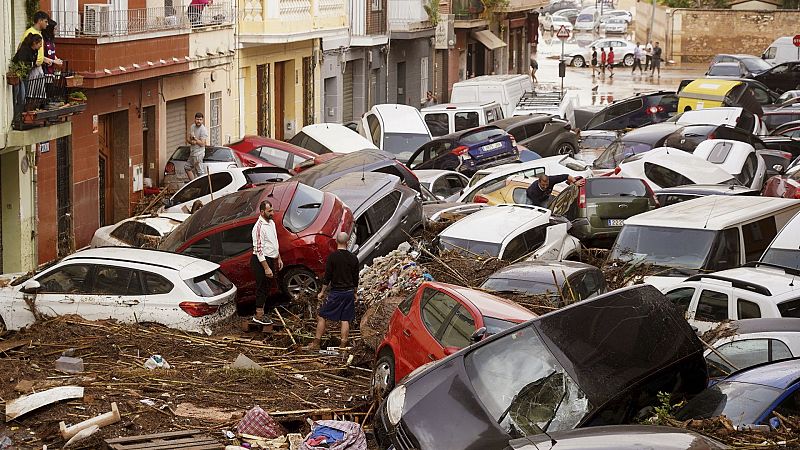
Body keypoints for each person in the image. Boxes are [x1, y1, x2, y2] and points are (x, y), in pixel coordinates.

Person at [304, 232, 359, 351]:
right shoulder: (353, 258)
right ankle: (343, 345)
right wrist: (355, 293)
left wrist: (322, 292)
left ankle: (316, 343)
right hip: (349, 292)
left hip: (337, 293)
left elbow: (327, 277)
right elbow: (355, 278)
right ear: (348, 241)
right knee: (345, 319)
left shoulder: (332, 257)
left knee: (322, 315)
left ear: (336, 242)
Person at [250, 200, 283, 325]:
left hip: (271, 258)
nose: (272, 213)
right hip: (261, 261)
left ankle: (263, 312)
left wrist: (278, 257)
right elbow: (258, 249)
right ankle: (258, 316)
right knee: (261, 287)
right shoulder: (258, 227)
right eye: (269, 211)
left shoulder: (271, 223)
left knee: (268, 286)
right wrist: (266, 268)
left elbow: (274, 241)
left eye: (272, 210)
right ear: (262, 211)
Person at [185, 112, 208, 180]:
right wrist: (191, 141)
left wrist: (195, 138)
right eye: (197, 119)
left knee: (200, 172)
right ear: (195, 119)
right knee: (187, 167)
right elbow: (188, 139)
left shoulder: (203, 130)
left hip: (199, 153)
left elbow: (202, 143)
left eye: (200, 119)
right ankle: (193, 184)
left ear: (202, 120)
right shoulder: (192, 126)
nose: (199, 121)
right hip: (193, 152)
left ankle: (204, 186)